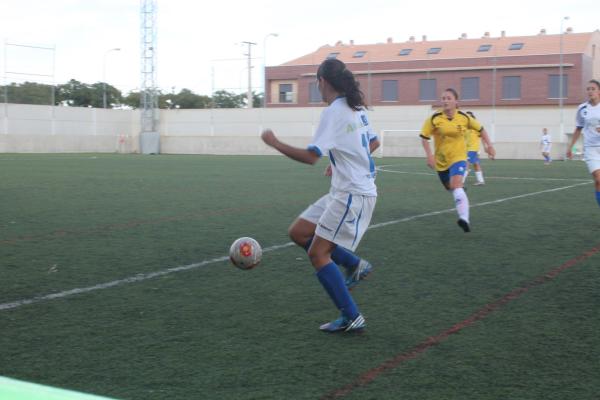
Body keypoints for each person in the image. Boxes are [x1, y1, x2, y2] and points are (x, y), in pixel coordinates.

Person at [261, 58, 379, 333]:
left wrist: (275, 143)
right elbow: (373, 141)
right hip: (345, 190)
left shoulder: (334, 111)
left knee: (318, 253)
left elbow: (310, 157)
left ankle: (351, 316)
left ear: (322, 82)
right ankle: (355, 264)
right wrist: (342, 159)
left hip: (352, 194)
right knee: (299, 232)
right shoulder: (355, 108)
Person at [420, 88, 495, 232]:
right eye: (443, 98)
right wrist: (429, 155)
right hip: (441, 161)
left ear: (456, 101)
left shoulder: (464, 117)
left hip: (459, 157)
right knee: (452, 188)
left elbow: (481, 129)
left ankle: (464, 219)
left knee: (456, 185)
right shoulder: (434, 119)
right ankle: (460, 192)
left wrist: (489, 146)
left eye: (448, 98)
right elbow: (424, 137)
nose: (445, 101)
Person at [567, 79, 600, 208]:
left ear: (599, 91)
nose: (590, 91)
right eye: (588, 89)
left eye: (593, 88)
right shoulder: (582, 108)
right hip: (590, 149)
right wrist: (570, 147)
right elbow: (578, 128)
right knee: (598, 179)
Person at [463, 111, 486, 185]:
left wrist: (485, 147)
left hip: (473, 149)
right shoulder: (464, 128)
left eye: (469, 116)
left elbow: (482, 136)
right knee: (476, 164)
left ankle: (461, 181)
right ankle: (481, 181)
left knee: (466, 164)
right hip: (467, 149)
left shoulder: (476, 127)